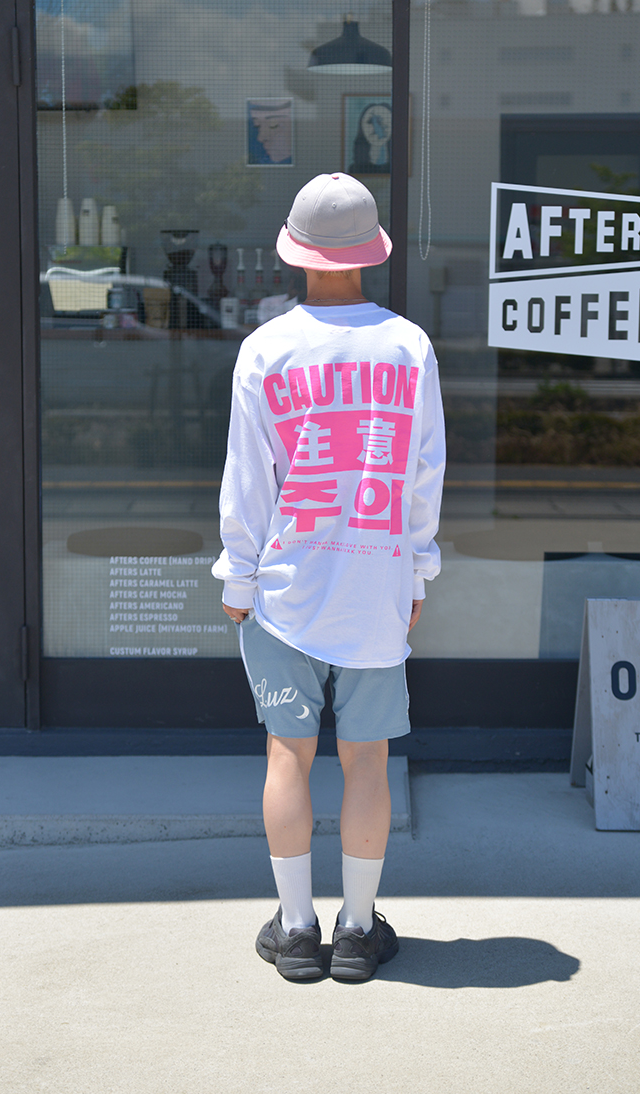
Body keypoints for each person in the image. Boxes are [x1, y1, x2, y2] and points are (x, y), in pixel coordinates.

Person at [212, 172, 445, 981]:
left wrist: (238, 581)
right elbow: (422, 476)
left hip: (285, 591)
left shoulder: (266, 349)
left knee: (288, 754)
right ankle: (355, 930)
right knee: (368, 760)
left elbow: (248, 480)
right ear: (372, 253)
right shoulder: (409, 346)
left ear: (294, 253)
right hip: (376, 587)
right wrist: (417, 574)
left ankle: (296, 929)